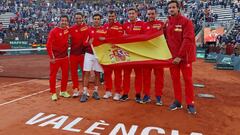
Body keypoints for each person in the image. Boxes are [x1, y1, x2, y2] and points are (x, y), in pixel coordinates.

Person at [165, 1, 197, 114]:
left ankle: (190, 103)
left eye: (173, 7)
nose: (171, 9)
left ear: (178, 8)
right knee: (175, 80)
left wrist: (179, 56)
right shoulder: (167, 23)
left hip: (184, 58)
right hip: (172, 59)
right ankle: (177, 101)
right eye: (169, 8)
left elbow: (188, 40)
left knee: (187, 80)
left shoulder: (186, 22)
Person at [121, 7, 146, 103]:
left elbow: (145, 37)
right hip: (127, 55)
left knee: (138, 75)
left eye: (133, 13)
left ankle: (138, 94)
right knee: (126, 75)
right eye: (129, 13)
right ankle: (125, 93)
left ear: (137, 14)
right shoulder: (125, 25)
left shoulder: (142, 24)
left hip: (138, 54)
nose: (131, 15)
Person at [80, 13, 106, 102]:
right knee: (86, 73)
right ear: (92, 20)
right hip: (89, 54)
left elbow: (107, 42)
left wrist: (105, 40)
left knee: (97, 73)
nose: (96, 20)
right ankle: (84, 92)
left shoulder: (104, 30)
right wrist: (89, 43)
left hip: (98, 55)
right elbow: (84, 43)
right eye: (95, 19)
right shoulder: (88, 30)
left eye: (98, 19)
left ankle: (95, 91)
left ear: (100, 20)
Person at [142, 7, 165, 105]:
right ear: (147, 15)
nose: (151, 16)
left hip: (158, 55)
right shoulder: (144, 25)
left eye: (152, 14)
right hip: (147, 55)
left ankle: (158, 96)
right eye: (149, 14)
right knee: (146, 76)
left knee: (159, 77)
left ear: (156, 14)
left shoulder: (161, 24)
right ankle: (146, 95)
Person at [46, 15, 71, 101]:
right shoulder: (53, 31)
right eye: (62, 20)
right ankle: (53, 93)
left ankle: (63, 91)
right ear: (59, 21)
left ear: (67, 22)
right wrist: (51, 57)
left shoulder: (68, 30)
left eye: (65, 21)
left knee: (65, 75)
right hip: (55, 58)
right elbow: (48, 45)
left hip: (65, 58)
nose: (64, 22)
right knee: (53, 75)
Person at [102, 10, 124, 101]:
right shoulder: (105, 26)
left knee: (117, 74)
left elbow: (119, 39)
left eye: (112, 16)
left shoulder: (119, 26)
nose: (111, 18)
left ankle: (118, 92)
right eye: (109, 16)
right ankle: (108, 91)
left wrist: (106, 39)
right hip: (107, 53)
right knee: (107, 73)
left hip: (117, 53)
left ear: (115, 17)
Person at [69, 12, 88, 97]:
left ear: (83, 18)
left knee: (85, 73)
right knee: (74, 73)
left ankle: (85, 90)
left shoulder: (87, 28)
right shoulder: (71, 29)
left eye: (79, 18)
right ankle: (75, 89)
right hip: (73, 54)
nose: (78, 20)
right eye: (76, 18)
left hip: (83, 55)